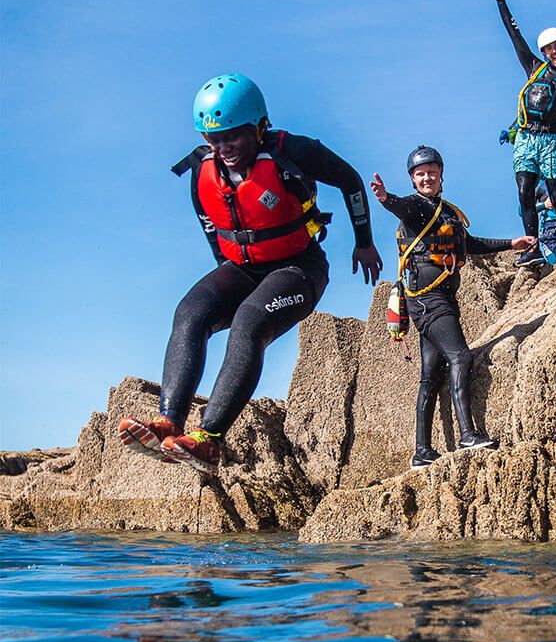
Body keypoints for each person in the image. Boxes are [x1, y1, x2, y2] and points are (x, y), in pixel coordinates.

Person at [118, 73, 382, 475]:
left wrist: (363, 241)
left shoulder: (294, 151)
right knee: (190, 312)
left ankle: (208, 440)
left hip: (299, 268)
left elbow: (351, 181)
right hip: (242, 269)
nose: (224, 148)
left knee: (249, 324)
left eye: (233, 137)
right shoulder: (203, 168)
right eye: (214, 139)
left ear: (259, 127)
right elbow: (211, 224)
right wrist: (223, 277)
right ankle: (169, 422)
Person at [370, 146, 536, 470]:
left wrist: (510, 244)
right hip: (427, 299)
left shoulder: (447, 213)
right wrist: (386, 198)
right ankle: (468, 435)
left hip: (441, 298)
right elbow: (401, 206)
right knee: (460, 357)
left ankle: (422, 452)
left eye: (431, 172)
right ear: (413, 179)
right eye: (420, 174)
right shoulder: (416, 207)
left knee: (431, 375)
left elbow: (470, 245)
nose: (426, 178)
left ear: (440, 174)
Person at [495, 0, 556, 271]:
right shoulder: (534, 68)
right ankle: (532, 247)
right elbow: (514, 36)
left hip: (553, 141)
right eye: (549, 48)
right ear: (544, 52)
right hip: (526, 138)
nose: (554, 51)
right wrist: (501, 2)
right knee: (525, 191)